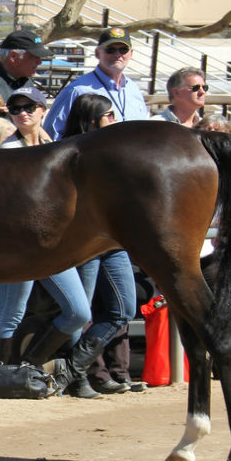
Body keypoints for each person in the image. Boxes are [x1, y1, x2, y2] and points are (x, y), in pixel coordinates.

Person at [0, 87, 91, 379]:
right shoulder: (9, 151)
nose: (22, 113)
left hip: (54, 244)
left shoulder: (56, 145)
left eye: (29, 107)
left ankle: (28, 366)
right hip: (21, 245)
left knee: (78, 312)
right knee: (10, 315)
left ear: (43, 110)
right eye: (15, 108)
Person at [59, 93, 138, 398]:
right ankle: (79, 377)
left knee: (123, 308)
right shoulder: (71, 154)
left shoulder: (117, 152)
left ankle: (74, 366)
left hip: (114, 241)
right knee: (83, 312)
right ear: (93, 120)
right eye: (109, 116)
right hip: (84, 241)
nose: (115, 121)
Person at [44, 27, 149, 141]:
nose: (117, 54)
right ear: (97, 53)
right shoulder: (77, 89)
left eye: (123, 50)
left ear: (131, 53)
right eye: (110, 50)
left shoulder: (134, 89)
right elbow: (52, 134)